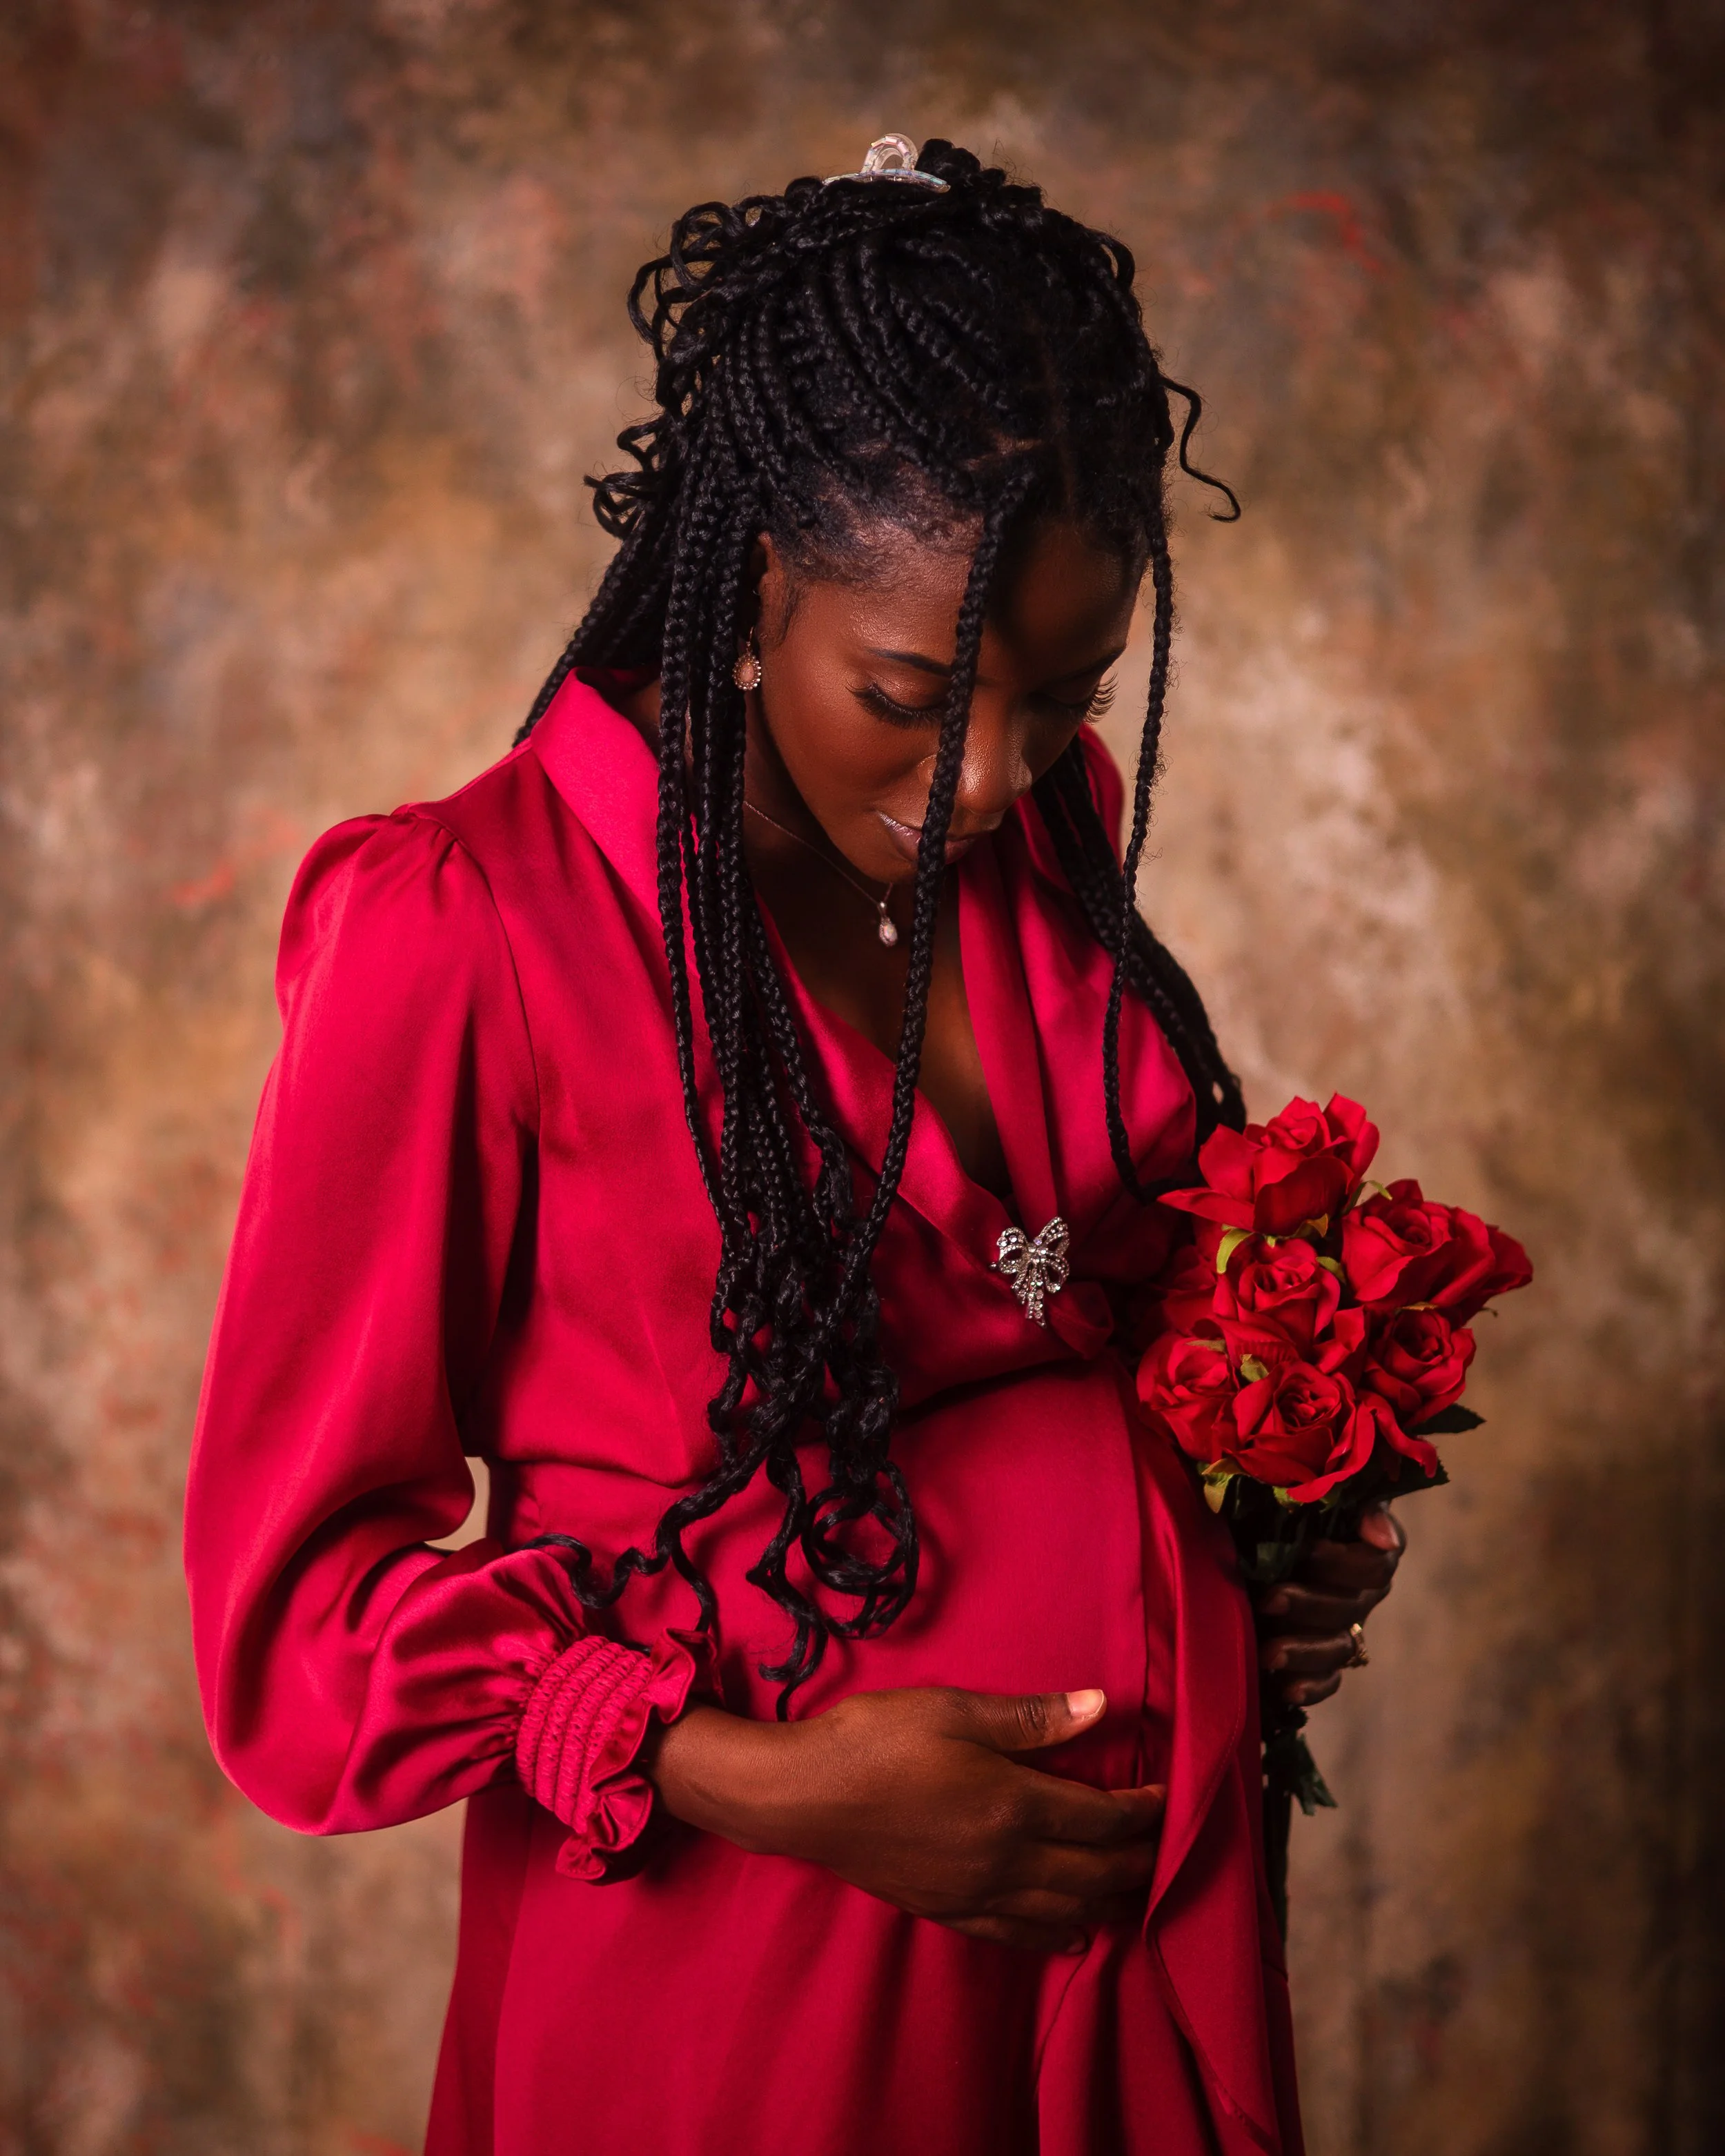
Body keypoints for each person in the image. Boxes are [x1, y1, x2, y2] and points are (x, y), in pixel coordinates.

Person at [185, 137, 1403, 2156]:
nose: (991, 782)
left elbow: (1087, 1293)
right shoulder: (460, 928)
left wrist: (1248, 1523)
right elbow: (295, 1637)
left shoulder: (1034, 820)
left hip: (1112, 1926)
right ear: (748, 577)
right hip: (747, 1964)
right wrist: (760, 1774)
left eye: (1062, 697)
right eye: (912, 696)